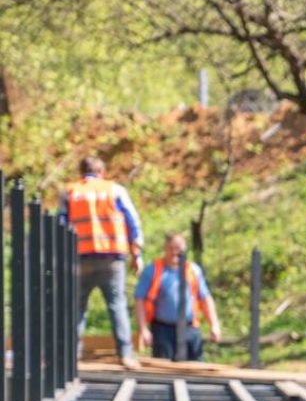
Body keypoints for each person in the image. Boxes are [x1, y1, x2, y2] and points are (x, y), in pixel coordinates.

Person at [62, 156, 143, 370]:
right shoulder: (114, 190)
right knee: (117, 305)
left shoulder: (71, 192)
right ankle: (125, 354)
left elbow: (61, 224)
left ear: (81, 173)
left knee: (77, 307)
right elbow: (132, 221)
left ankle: (72, 356)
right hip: (111, 258)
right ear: (102, 171)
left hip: (80, 258)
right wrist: (137, 254)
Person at [134, 233, 222, 361]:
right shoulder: (153, 270)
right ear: (165, 248)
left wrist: (214, 324)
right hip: (163, 329)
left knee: (195, 368)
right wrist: (143, 329)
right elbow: (140, 300)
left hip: (189, 328)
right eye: (171, 248)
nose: (175, 252)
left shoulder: (193, 270)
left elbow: (205, 298)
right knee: (163, 370)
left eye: (179, 248)